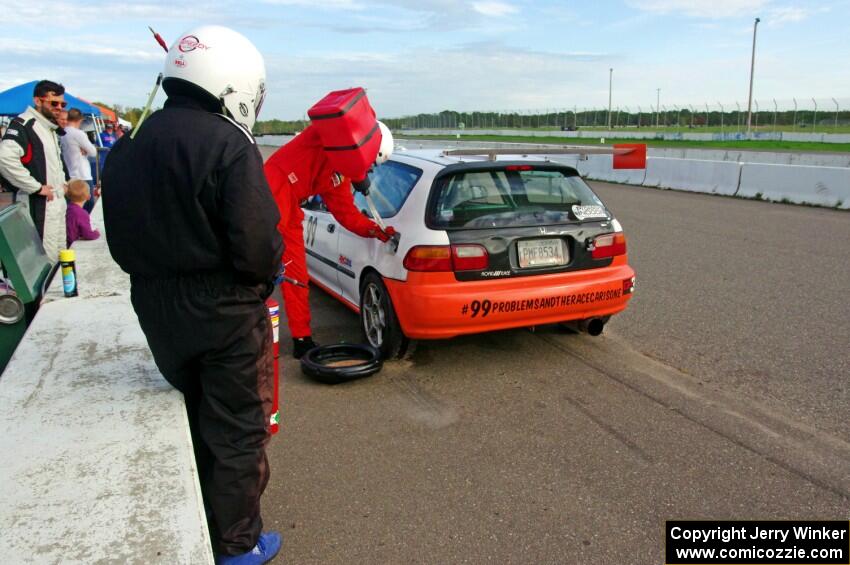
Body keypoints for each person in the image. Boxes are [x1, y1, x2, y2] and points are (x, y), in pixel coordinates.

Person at [101, 25, 283, 565]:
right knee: (237, 431)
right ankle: (237, 546)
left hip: (155, 308)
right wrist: (256, 285)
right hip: (225, 313)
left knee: (196, 414)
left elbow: (119, 240)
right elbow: (257, 245)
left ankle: (206, 518)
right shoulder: (229, 144)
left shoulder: (128, 146)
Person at [264, 121, 395, 358]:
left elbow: (347, 214)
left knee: (295, 277)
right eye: (369, 164)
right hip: (271, 193)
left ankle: (301, 339)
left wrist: (375, 230)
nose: (366, 171)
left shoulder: (338, 176)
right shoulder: (326, 136)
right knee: (257, 270)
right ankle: (246, 334)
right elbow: (332, 121)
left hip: (288, 207)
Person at [0, 79, 69, 262]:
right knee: (44, 262)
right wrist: (36, 187)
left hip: (57, 204)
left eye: (63, 104)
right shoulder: (24, 124)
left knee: (60, 257)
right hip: (38, 206)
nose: (59, 107)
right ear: (38, 101)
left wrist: (63, 183)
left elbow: (54, 163)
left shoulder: (49, 127)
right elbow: (4, 159)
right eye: (54, 103)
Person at [60, 108, 98, 213]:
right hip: (82, 175)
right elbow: (93, 152)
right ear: (80, 120)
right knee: (88, 205)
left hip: (69, 174)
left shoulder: (62, 133)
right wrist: (85, 149)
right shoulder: (79, 134)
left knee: (71, 207)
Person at [65, 179, 100, 246]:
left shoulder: (68, 208)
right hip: (73, 245)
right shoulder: (82, 213)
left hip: (65, 243)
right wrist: (96, 233)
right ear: (88, 197)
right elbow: (88, 234)